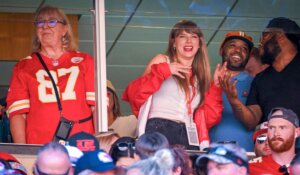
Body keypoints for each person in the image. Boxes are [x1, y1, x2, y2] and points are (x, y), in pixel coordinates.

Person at [122, 20, 224, 150]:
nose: (188, 41)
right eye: (182, 36)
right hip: (160, 129)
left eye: (193, 36)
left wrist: (215, 87)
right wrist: (165, 71)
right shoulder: (163, 61)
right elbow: (135, 94)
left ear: (199, 44)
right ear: (174, 43)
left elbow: (208, 120)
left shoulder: (200, 76)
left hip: (188, 134)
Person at [6, 5, 95, 144]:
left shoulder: (84, 61)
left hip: (82, 143)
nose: (45, 26)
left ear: (64, 30)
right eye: (40, 22)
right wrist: (23, 152)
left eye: (52, 21)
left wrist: (99, 144)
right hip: (39, 145)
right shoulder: (23, 67)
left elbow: (97, 107)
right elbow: (17, 114)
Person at [218, 17, 300, 132]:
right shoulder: (261, 79)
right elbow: (251, 122)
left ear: (280, 36)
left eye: (264, 36)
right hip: (274, 149)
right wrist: (234, 100)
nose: (260, 43)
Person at [209, 31, 254, 151]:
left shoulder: (256, 83)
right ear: (221, 50)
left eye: (244, 48)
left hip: (245, 152)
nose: (238, 50)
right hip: (211, 151)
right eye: (232, 45)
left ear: (249, 56)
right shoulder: (207, 83)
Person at [249, 107, 299, 175]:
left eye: (282, 128)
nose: (276, 133)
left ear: (297, 132)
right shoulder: (250, 168)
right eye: (271, 128)